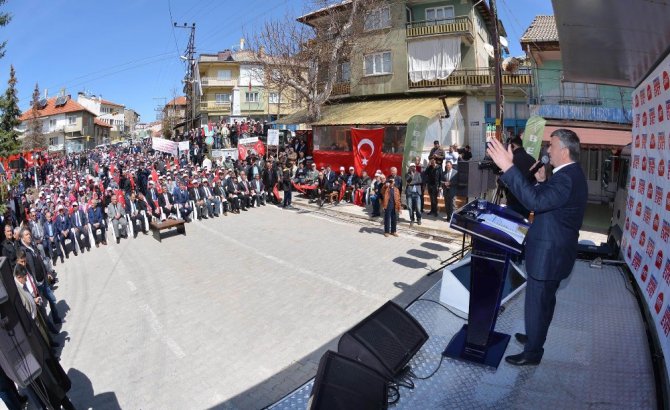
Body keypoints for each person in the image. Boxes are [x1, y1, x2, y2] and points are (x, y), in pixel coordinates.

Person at [486, 128, 588, 366]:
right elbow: (550, 203)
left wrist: (508, 168)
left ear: (563, 150)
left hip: (548, 255)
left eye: (551, 146)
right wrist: (542, 181)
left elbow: (533, 202)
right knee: (544, 302)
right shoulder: (570, 175)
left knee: (536, 303)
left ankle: (532, 353)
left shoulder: (566, 177)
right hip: (556, 253)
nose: (547, 151)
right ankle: (535, 338)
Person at [504, 137, 537, 219]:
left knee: (511, 224)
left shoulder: (512, 160)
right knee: (522, 225)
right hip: (527, 200)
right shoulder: (532, 159)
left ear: (513, 146)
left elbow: (505, 180)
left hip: (513, 199)